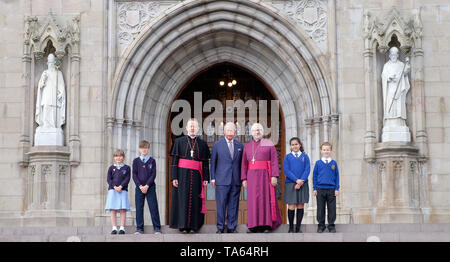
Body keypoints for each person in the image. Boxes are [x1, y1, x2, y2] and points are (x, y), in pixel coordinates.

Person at [169, 118, 210, 233]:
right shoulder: (179, 142)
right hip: (182, 176)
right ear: (186, 128)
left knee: (195, 201)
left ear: (198, 129)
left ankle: (193, 226)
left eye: (194, 126)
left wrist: (206, 177)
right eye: (190, 126)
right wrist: (174, 177)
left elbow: (205, 162)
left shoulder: (202, 143)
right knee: (182, 200)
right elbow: (174, 161)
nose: (192, 128)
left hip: (197, 177)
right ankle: (183, 226)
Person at [241, 123, 282, 233]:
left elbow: (274, 161)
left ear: (263, 132)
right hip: (251, 177)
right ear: (251, 133)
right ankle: (253, 225)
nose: (257, 132)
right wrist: (244, 179)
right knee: (253, 201)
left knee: (265, 200)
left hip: (265, 176)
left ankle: (266, 225)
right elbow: (244, 164)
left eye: (259, 130)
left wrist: (274, 176)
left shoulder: (269, 144)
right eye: (255, 130)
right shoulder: (247, 146)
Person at [210, 122, 243, 233]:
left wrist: (243, 178)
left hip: (236, 180)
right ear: (224, 132)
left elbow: (242, 164)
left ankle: (231, 227)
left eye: (232, 130)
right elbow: (213, 162)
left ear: (235, 132)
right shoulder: (217, 145)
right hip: (221, 180)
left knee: (233, 205)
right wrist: (213, 178)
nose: (229, 133)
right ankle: (220, 227)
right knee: (221, 205)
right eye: (227, 130)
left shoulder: (239, 145)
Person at [132, 140, 162, 234]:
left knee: (153, 207)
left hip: (150, 187)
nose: (144, 150)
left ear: (148, 149)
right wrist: (140, 186)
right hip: (139, 188)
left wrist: (147, 185)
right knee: (139, 208)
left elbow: (153, 174)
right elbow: (134, 174)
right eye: (142, 148)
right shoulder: (136, 161)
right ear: (139, 149)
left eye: (146, 148)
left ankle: (157, 228)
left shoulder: (152, 161)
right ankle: (139, 228)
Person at [283, 137, 310, 233]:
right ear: (290, 146)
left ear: (300, 145)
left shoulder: (305, 157)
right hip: (290, 184)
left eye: (296, 144)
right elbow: (286, 170)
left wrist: (301, 181)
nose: (294, 146)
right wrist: (296, 180)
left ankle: (298, 228)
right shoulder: (287, 157)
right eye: (292, 144)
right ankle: (290, 228)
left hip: (303, 184)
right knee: (291, 205)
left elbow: (307, 170)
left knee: (300, 205)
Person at [313, 142, 340, 233]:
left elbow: (337, 176)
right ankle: (321, 226)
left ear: (331, 150)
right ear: (321, 151)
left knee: (332, 208)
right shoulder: (318, 163)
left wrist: (337, 188)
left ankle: (331, 225)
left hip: (331, 189)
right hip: (320, 189)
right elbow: (314, 176)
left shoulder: (333, 163)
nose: (326, 151)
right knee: (320, 208)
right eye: (324, 150)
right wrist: (314, 188)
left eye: (328, 149)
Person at [105, 149, 131, 234]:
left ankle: (122, 228)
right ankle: (114, 228)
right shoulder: (111, 168)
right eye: (116, 156)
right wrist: (114, 187)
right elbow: (109, 179)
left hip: (122, 191)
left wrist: (121, 186)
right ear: (114, 157)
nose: (118, 158)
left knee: (122, 209)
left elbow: (127, 178)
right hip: (113, 190)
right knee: (113, 209)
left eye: (120, 156)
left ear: (123, 157)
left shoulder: (127, 168)